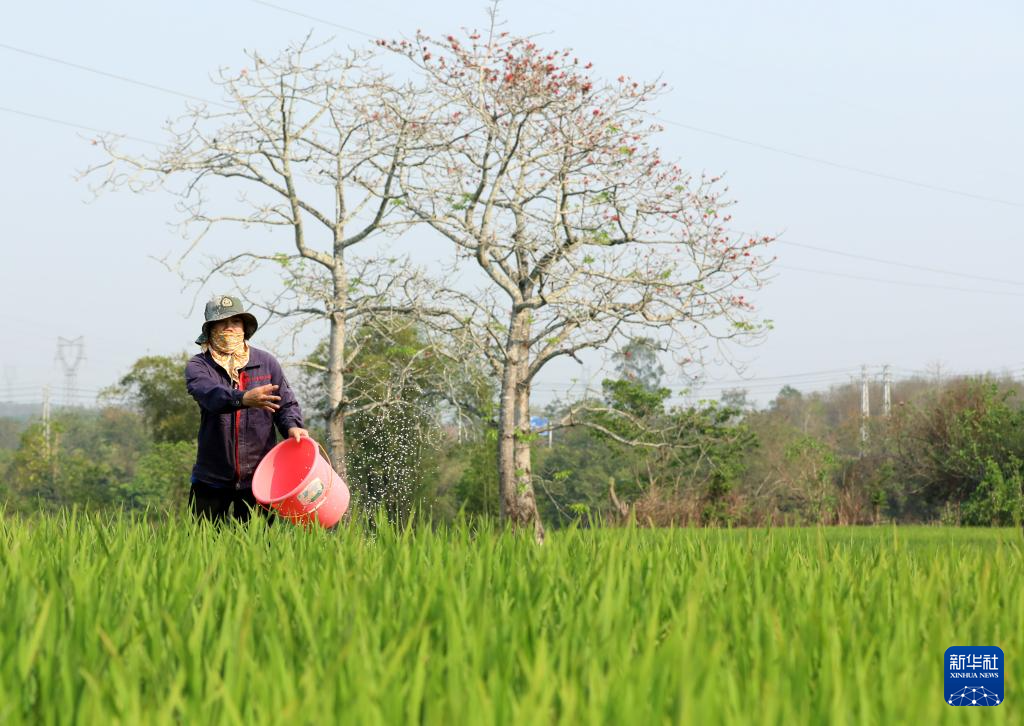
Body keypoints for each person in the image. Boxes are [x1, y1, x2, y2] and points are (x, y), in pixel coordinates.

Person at [185, 295, 308, 523]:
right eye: (222, 323)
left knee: (259, 550)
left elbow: (285, 404)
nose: (229, 329)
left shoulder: (266, 363)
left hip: (259, 478)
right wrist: (243, 398)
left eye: (235, 323)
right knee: (202, 550)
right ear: (211, 329)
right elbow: (210, 395)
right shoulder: (199, 366)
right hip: (211, 477)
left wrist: (292, 427)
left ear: (244, 327)